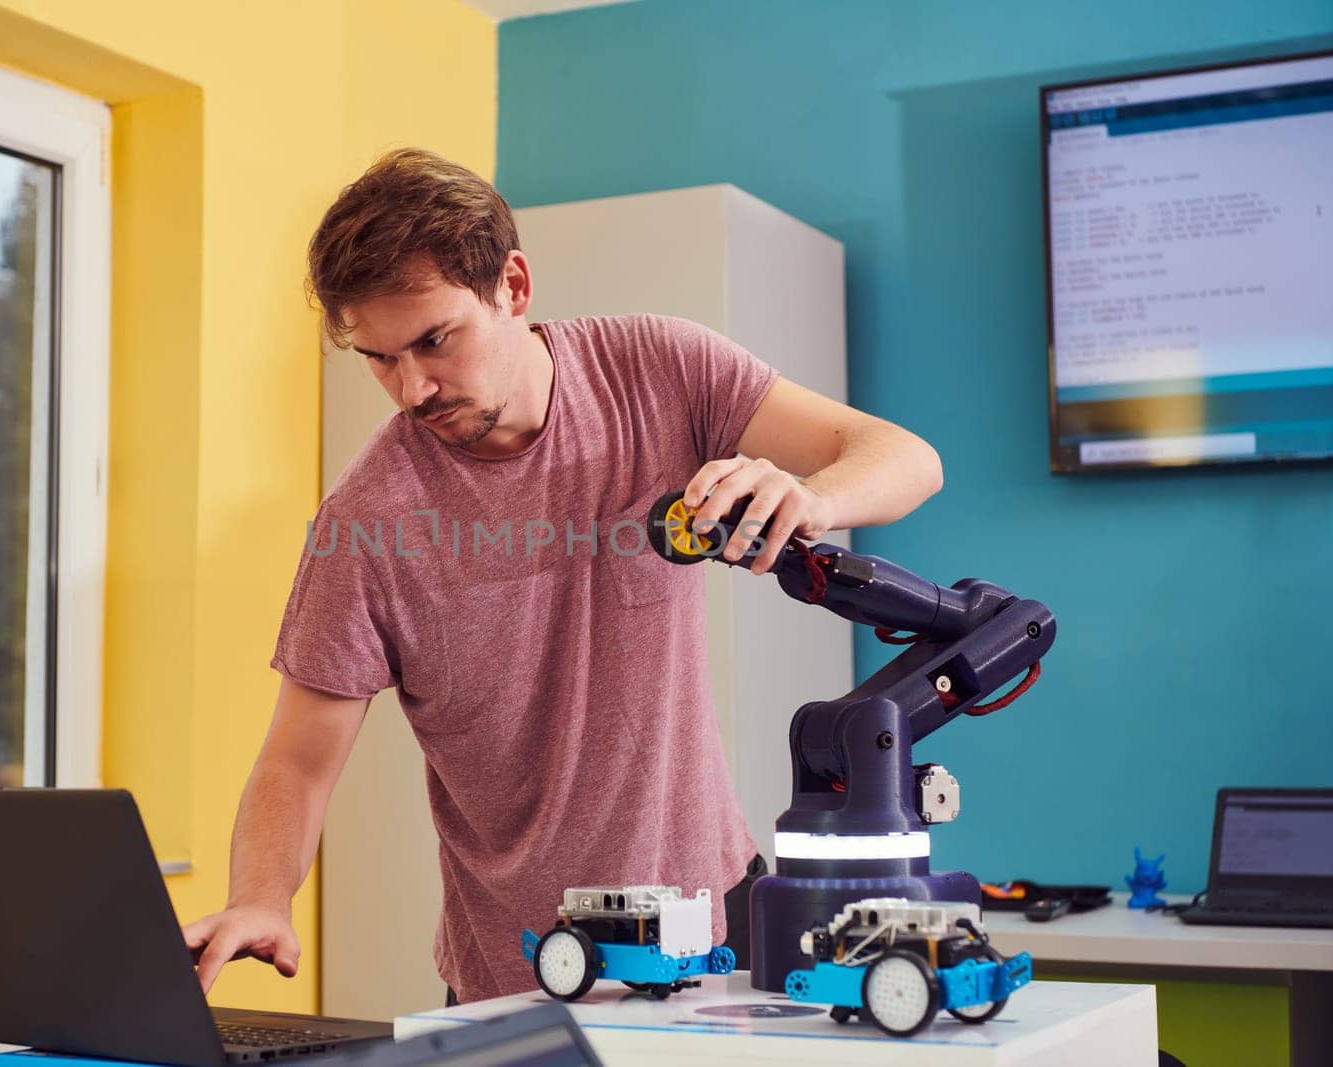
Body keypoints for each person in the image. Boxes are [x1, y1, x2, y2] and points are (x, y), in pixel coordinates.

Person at [181, 148, 943, 1005]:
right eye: (380, 358)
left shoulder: (658, 369)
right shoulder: (364, 523)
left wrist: (808, 496)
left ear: (511, 284)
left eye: (434, 340)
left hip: (713, 926)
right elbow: (297, 760)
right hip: (521, 969)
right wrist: (260, 896)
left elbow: (904, 457)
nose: (411, 389)